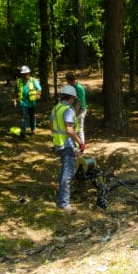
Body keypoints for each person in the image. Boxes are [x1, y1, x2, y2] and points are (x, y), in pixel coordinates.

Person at [50, 84, 85, 214]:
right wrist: (80, 143)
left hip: (59, 143)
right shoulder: (68, 110)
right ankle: (64, 203)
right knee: (68, 173)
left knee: (64, 171)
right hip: (66, 144)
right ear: (72, 98)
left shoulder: (56, 108)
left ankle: (61, 199)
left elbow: (52, 126)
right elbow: (69, 130)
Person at [13, 65, 41, 138]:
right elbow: (15, 92)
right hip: (23, 103)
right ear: (22, 74)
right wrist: (14, 100)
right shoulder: (18, 81)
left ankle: (33, 130)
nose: (26, 74)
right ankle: (23, 132)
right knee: (23, 117)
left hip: (32, 103)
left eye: (27, 73)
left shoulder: (33, 80)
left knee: (32, 117)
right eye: (24, 73)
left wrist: (38, 94)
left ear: (29, 73)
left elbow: (39, 89)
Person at [65, 72, 87, 144]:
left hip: (80, 110)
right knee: (73, 128)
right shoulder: (72, 87)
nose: (67, 83)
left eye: (68, 81)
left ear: (71, 81)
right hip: (74, 110)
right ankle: (74, 145)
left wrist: (74, 114)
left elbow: (79, 103)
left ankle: (81, 147)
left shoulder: (79, 88)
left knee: (79, 128)